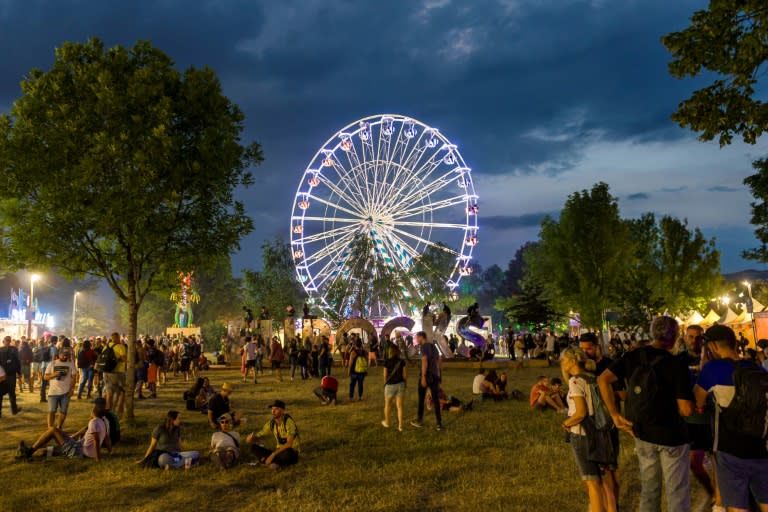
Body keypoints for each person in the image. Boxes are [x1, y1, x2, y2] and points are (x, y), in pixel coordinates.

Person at [598, 316, 694, 512]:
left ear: (652, 333)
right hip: (672, 436)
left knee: (649, 488)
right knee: (677, 491)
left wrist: (615, 414)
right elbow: (686, 409)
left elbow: (603, 379)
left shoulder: (633, 356)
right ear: (675, 336)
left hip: (642, 432)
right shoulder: (676, 364)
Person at [695, 324, 768, 512]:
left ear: (712, 347)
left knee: (737, 506)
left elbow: (698, 402)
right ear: (735, 343)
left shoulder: (712, 369)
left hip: (729, 449)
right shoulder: (756, 368)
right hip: (760, 445)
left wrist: (704, 360)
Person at [560, 347, 608, 512]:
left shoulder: (575, 381)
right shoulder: (592, 377)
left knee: (592, 482)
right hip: (597, 431)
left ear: (572, 361)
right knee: (600, 479)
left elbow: (580, 412)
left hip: (581, 433)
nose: (562, 363)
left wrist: (567, 422)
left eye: (564, 360)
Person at [579, 332, 620, 512]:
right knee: (593, 471)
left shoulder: (609, 365)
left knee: (609, 470)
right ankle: (598, 504)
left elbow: (622, 393)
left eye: (589, 348)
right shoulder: (582, 367)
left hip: (606, 424)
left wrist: (603, 390)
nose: (585, 352)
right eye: (582, 349)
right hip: (588, 424)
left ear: (597, 347)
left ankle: (613, 506)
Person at [17, 404, 112, 461]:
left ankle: (28, 452)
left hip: (78, 452)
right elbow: (107, 439)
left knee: (53, 431)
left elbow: (96, 440)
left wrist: (98, 459)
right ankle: (28, 451)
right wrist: (109, 452)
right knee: (54, 443)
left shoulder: (93, 422)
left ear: (93, 412)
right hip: (78, 446)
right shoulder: (105, 421)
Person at [247, 399, 300, 469]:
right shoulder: (272, 423)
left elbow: (289, 444)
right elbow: (260, 434)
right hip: (278, 452)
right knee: (253, 447)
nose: (273, 411)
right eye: (272, 409)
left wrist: (272, 455)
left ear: (283, 410)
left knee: (288, 452)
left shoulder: (288, 422)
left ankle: (269, 462)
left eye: (276, 409)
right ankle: (274, 462)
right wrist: (251, 438)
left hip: (291, 451)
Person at [410, 331, 443, 431]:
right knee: (436, 400)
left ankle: (419, 420)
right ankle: (439, 424)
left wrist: (423, 377)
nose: (416, 340)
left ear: (421, 337)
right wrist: (439, 374)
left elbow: (424, 360)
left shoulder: (423, 347)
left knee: (421, 398)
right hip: (435, 376)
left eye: (416, 338)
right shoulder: (433, 346)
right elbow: (439, 360)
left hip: (427, 376)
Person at [45, 346, 76, 429]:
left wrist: (72, 389)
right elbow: (45, 377)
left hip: (66, 392)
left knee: (63, 411)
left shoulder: (70, 363)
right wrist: (54, 375)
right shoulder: (52, 363)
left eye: (67, 355)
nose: (65, 357)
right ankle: (50, 428)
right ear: (59, 354)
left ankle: (59, 427)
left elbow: (74, 377)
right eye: (63, 355)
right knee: (51, 411)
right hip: (53, 392)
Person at [382, 344, 407, 431]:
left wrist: (385, 383)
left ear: (390, 351)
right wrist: (405, 383)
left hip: (390, 385)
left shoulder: (387, 361)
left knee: (388, 405)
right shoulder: (402, 361)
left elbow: (385, 375)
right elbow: (405, 375)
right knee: (400, 406)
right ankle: (400, 426)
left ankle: (387, 422)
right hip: (400, 384)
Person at [103, 332, 127, 416]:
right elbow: (124, 359)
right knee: (122, 391)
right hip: (118, 372)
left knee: (109, 392)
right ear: (117, 338)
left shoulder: (106, 346)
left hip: (106, 372)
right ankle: (119, 411)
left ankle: (108, 411)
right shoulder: (120, 347)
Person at [0, 336, 22, 415]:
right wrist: (19, 373)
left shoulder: (1, 350)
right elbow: (17, 361)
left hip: (3, 375)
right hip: (10, 375)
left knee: (1, 394)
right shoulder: (14, 349)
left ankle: (12, 410)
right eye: (8, 340)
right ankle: (14, 410)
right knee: (12, 393)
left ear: (3, 341)